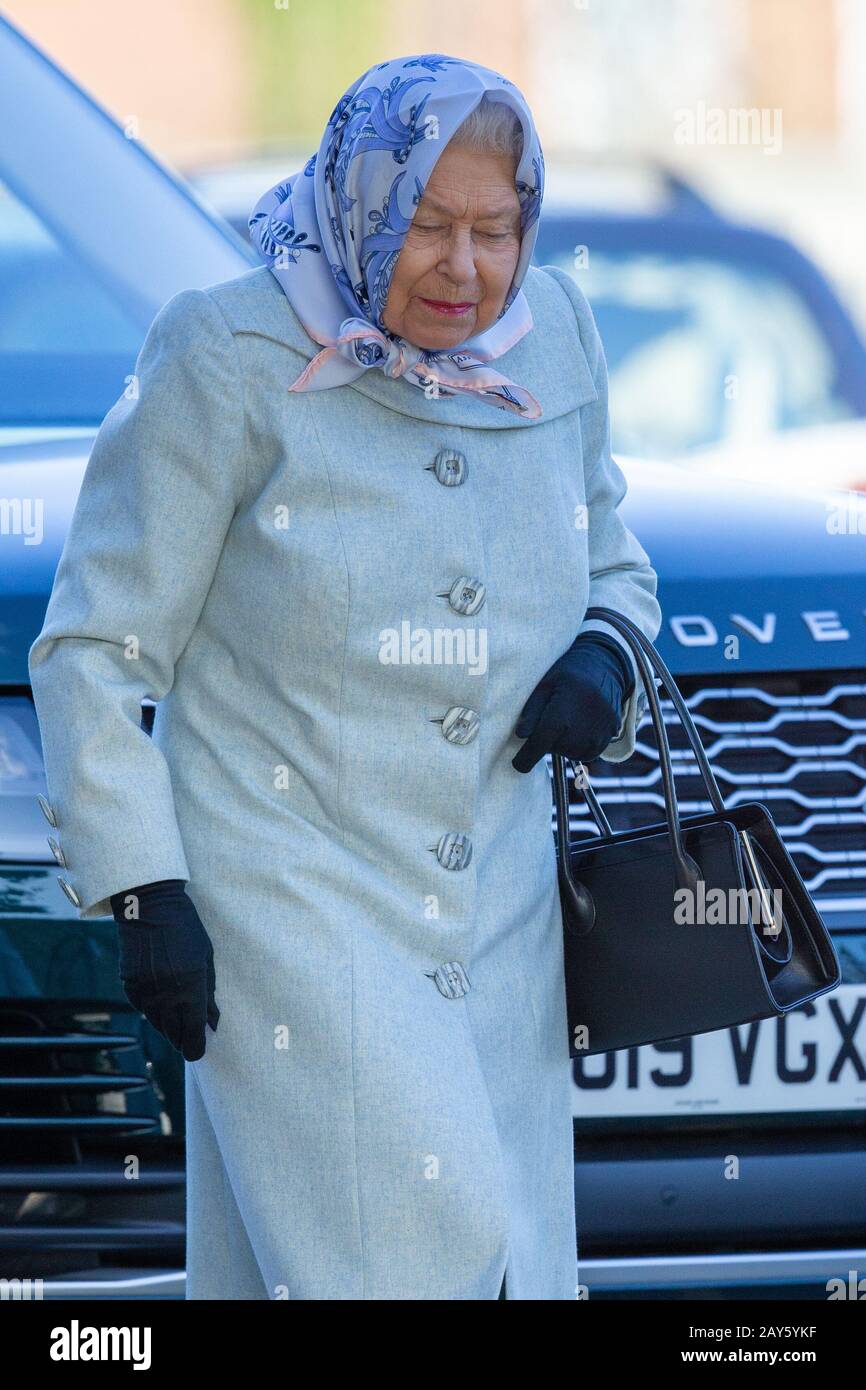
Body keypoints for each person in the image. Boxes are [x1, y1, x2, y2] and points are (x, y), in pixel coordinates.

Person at [29, 53, 661, 1300]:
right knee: (419, 1257)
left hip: (500, 919)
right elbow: (95, 646)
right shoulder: (226, 353)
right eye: (427, 224)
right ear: (361, 199)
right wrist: (145, 888)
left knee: (489, 1268)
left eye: (494, 230)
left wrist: (604, 654)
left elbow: (619, 570)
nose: (466, 267)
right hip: (293, 902)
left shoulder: (562, 338)